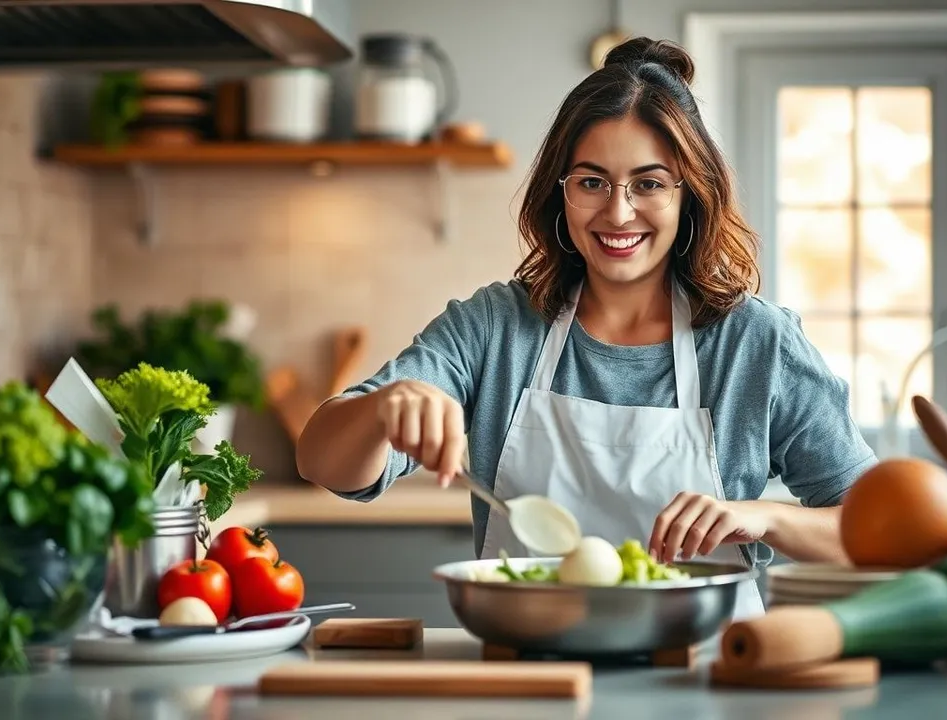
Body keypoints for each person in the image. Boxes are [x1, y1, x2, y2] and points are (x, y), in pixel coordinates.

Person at [296, 36, 877, 619]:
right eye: (591, 181)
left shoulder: (755, 343)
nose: (618, 212)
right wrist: (383, 408)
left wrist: (766, 519)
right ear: (561, 192)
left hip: (709, 683)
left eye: (649, 183)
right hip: (531, 677)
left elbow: (877, 532)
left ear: (689, 196)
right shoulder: (494, 328)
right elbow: (324, 464)